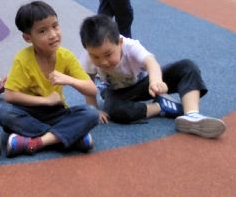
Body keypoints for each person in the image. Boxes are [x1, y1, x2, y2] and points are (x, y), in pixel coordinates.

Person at [79, 14, 227, 138]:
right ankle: (160, 106)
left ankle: (191, 114)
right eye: (95, 57)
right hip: (117, 92)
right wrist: (94, 110)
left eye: (108, 54)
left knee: (187, 66)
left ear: (120, 42)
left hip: (146, 84)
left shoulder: (131, 47)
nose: (103, 62)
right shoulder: (88, 57)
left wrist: (156, 81)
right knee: (112, 109)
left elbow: (151, 62)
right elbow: (88, 84)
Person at [0, 1, 99, 157]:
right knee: (5, 114)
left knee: (91, 113)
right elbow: (9, 96)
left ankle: (38, 141)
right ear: (28, 37)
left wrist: (69, 80)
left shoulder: (66, 56)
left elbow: (92, 90)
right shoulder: (23, 59)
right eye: (42, 31)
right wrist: (45, 100)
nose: (53, 35)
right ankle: (71, 136)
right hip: (29, 112)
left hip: (57, 113)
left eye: (55, 26)